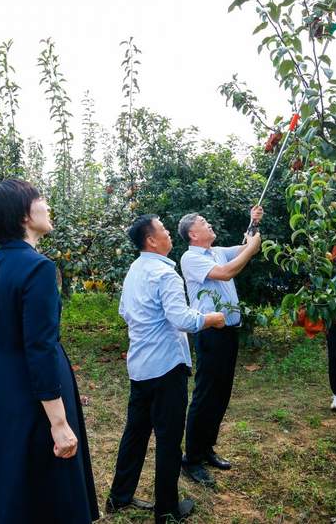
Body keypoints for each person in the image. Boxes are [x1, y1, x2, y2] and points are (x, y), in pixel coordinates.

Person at [0, 179, 99, 523]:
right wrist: (59, 422)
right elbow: (40, 347)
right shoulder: (39, 267)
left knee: (6, 473)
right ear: (23, 215)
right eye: (40, 198)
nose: (47, 204)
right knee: (44, 480)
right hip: (35, 389)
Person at [107, 214, 225, 524]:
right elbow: (182, 320)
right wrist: (210, 318)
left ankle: (119, 497)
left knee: (135, 434)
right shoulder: (165, 274)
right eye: (163, 229)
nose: (169, 233)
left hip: (140, 365)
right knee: (169, 440)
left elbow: (124, 311)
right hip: (166, 367)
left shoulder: (135, 270)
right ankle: (168, 511)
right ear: (151, 240)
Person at [176, 206, 263, 487]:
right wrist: (251, 248)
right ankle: (190, 460)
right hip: (211, 333)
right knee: (206, 394)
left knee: (221, 392)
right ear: (193, 233)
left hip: (229, 333)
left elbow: (243, 249)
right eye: (204, 223)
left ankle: (206, 448)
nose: (209, 224)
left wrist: (253, 224)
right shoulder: (191, 258)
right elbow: (226, 273)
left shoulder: (216, 251)